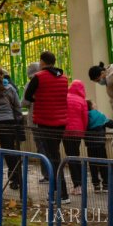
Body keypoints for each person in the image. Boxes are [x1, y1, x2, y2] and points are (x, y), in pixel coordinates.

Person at [26, 51, 69, 194]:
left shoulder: (38, 77)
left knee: (53, 157)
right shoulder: (63, 77)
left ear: (42, 62)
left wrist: (39, 100)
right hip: (61, 121)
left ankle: (61, 192)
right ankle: (58, 190)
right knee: (55, 154)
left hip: (45, 121)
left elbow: (27, 96)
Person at [0, 66, 25, 190]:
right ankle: (16, 180)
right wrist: (18, 120)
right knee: (10, 153)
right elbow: (18, 107)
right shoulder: (10, 88)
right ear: (3, 75)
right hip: (8, 123)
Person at [85, 101, 113, 191]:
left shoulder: (84, 116)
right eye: (94, 103)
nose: (95, 104)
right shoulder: (99, 115)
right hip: (100, 144)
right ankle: (106, 184)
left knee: (92, 165)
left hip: (89, 145)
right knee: (103, 164)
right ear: (92, 106)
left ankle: (96, 185)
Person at [64, 80, 89, 195]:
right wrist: (83, 131)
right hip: (78, 131)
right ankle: (81, 184)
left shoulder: (65, 97)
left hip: (66, 131)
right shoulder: (82, 100)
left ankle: (77, 185)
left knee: (70, 157)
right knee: (76, 155)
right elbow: (85, 117)